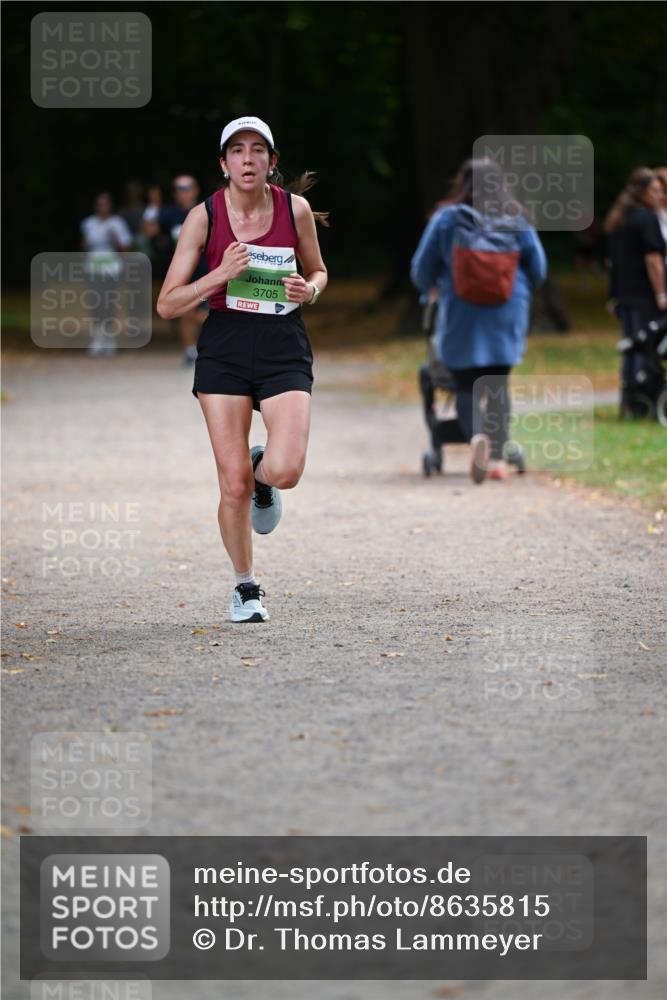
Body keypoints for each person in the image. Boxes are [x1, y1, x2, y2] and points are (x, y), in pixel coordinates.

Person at [156, 116, 328, 622]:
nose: (247, 159)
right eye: (237, 151)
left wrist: (310, 290)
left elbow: (317, 269)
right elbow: (168, 304)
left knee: (288, 469)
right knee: (230, 485)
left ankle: (263, 473)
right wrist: (220, 275)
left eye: (257, 150)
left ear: (272, 162)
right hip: (225, 348)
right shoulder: (203, 217)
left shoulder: (293, 209)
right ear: (224, 163)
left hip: (283, 345)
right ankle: (246, 588)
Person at [410, 158, 547, 482]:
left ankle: (476, 441)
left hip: (460, 311)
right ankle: (498, 460)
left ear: (462, 182)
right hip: (506, 310)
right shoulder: (516, 219)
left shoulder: (447, 219)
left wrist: (433, 287)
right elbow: (538, 269)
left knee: (465, 385)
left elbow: (420, 269)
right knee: (498, 384)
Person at [604, 167, 667, 416]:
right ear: (640, 192)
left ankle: (628, 399)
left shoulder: (620, 220)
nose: (658, 195)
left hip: (623, 295)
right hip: (642, 294)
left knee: (630, 348)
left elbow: (612, 262)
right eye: (654, 190)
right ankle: (642, 400)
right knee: (645, 347)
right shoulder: (646, 219)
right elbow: (653, 261)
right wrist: (661, 294)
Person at [144, 175, 208, 365]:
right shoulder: (169, 213)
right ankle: (190, 352)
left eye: (187, 187)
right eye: (178, 188)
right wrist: (153, 206)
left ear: (195, 190)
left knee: (206, 315)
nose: (183, 192)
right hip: (182, 273)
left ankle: (212, 350)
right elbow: (149, 230)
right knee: (185, 313)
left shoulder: (207, 210)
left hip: (208, 270)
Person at [80, 192, 132, 357]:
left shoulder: (117, 223)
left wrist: (114, 238)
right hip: (94, 267)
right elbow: (84, 245)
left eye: (106, 204)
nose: (103, 207)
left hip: (112, 268)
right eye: (100, 204)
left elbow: (125, 247)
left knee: (109, 302)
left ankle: (110, 340)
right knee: (96, 302)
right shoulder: (88, 223)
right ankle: (97, 339)